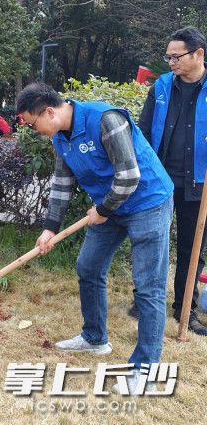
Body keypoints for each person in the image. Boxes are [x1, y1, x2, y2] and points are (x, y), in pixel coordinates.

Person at [17, 83, 173, 395]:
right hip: (109, 207)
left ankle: (145, 371)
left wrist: (103, 209)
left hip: (147, 202)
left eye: (33, 125)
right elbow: (62, 184)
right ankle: (94, 338)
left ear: (49, 112)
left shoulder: (106, 120)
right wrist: (49, 228)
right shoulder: (60, 137)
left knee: (148, 288)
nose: (35, 131)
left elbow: (129, 175)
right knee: (88, 267)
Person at [132, 26, 207, 335]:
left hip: (199, 184)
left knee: (192, 248)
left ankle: (185, 308)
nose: (171, 62)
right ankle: (144, 301)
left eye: (177, 56)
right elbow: (143, 130)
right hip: (159, 181)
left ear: (199, 54)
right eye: (168, 57)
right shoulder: (161, 87)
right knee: (152, 241)